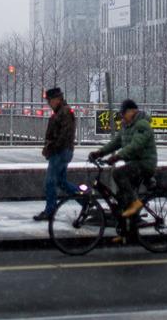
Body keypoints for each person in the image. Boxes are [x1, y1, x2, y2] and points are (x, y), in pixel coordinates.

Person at [89, 99, 157, 218]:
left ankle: (136, 203)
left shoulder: (142, 124)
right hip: (134, 163)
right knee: (122, 198)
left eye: (123, 113)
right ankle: (126, 233)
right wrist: (99, 153)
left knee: (118, 173)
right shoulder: (127, 126)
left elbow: (136, 145)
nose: (122, 117)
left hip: (145, 163)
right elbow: (115, 143)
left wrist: (117, 156)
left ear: (132, 111)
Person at [33, 87, 80, 221]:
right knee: (61, 182)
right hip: (61, 151)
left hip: (61, 152)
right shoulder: (60, 112)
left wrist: (51, 148)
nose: (49, 103)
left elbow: (64, 135)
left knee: (50, 182)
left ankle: (50, 211)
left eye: (50, 101)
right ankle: (85, 199)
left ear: (57, 99)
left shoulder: (65, 112)